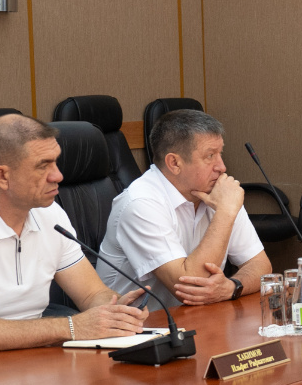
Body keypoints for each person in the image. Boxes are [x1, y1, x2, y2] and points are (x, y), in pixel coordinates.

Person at [0, 114, 147, 362]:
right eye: (43, 166)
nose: (58, 176)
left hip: (30, 366)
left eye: (56, 162)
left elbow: (90, 295)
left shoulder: (50, 214)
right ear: (2, 176)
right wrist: (71, 328)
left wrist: (115, 309)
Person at [98, 110, 273, 307]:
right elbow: (190, 289)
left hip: (195, 321)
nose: (222, 167)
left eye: (220, 153)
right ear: (174, 163)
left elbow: (261, 266)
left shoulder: (219, 192)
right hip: (139, 330)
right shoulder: (140, 203)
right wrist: (224, 213)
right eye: (210, 156)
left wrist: (232, 287)